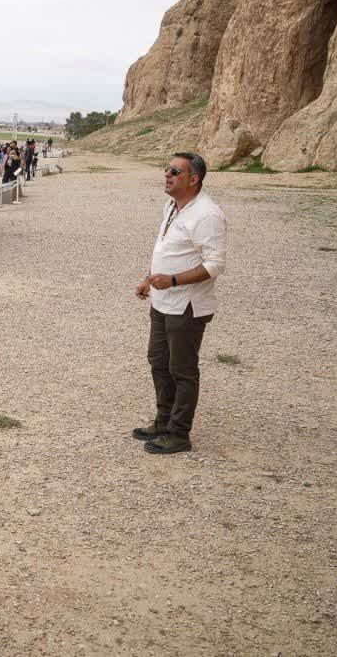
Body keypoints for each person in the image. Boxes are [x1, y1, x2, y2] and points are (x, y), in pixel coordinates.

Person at [132, 152, 227, 455]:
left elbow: (214, 265)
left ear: (193, 179)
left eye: (174, 171)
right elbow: (167, 251)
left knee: (182, 369)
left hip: (187, 305)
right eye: (166, 169)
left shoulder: (208, 215)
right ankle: (163, 421)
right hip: (162, 301)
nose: (167, 175)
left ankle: (179, 433)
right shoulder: (172, 206)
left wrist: (173, 281)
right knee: (158, 362)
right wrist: (149, 279)